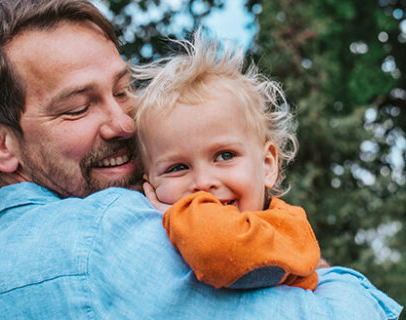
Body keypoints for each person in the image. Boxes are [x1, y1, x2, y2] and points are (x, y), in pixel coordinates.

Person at [0, 0, 402, 320]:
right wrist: (330, 280)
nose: (123, 124)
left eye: (123, 91)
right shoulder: (109, 241)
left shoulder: (1, 270)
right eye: (77, 108)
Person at [136, 34, 319, 290]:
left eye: (224, 156)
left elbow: (222, 251)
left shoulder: (288, 227)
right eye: (178, 167)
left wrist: (180, 212)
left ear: (266, 166)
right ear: (150, 184)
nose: (203, 182)